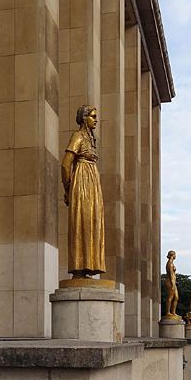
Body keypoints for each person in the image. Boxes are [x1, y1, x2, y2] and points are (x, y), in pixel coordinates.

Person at [61, 105, 105, 278]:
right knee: (83, 220)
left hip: (92, 180)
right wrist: (68, 188)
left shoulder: (91, 139)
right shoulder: (78, 136)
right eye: (92, 116)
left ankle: (89, 265)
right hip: (82, 180)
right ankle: (79, 268)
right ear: (84, 118)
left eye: (96, 116)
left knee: (94, 220)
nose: (96, 119)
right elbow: (66, 164)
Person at [163, 250, 181, 319]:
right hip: (170, 282)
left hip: (173, 282)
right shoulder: (170, 263)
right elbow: (170, 274)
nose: (175, 256)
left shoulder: (171, 263)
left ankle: (173, 312)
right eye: (175, 255)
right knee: (170, 297)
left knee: (176, 297)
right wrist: (173, 284)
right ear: (172, 255)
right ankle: (168, 312)